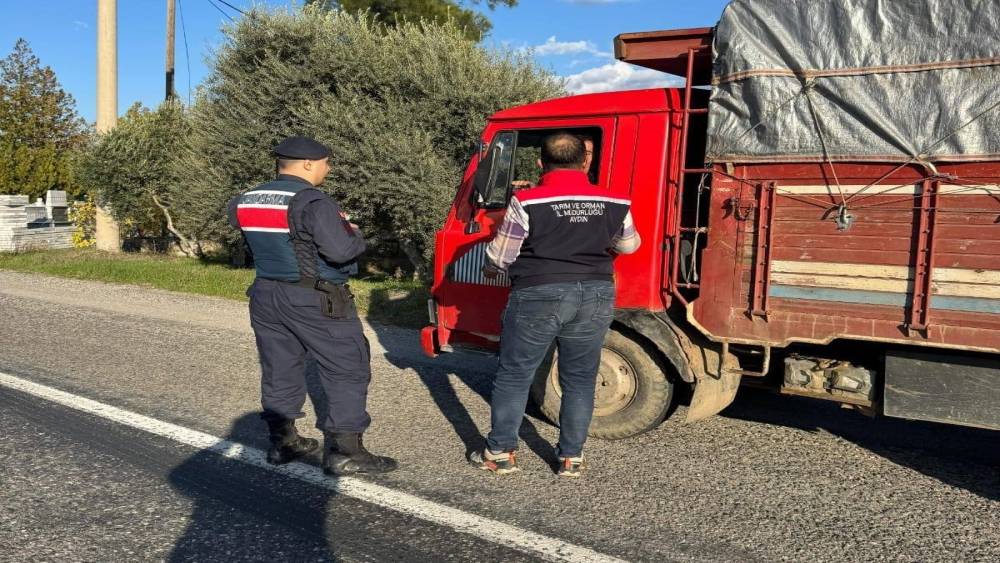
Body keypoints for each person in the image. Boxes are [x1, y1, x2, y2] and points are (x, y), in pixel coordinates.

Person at [472, 131, 641, 477]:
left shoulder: (527, 201)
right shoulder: (615, 201)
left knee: (516, 373)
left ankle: (500, 453)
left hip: (539, 293)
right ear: (585, 161)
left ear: (540, 163)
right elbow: (628, 246)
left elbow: (502, 256)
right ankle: (570, 458)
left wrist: (491, 265)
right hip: (595, 294)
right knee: (580, 378)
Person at [228, 135, 397, 475]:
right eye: (325, 163)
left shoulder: (245, 199)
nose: (328, 169)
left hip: (266, 294)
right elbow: (341, 251)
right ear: (308, 164)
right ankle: (346, 452)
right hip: (315, 298)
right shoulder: (312, 201)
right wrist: (353, 232)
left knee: (279, 366)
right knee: (347, 366)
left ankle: (283, 442)